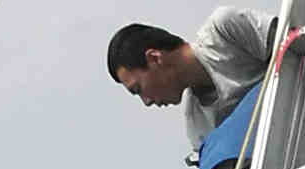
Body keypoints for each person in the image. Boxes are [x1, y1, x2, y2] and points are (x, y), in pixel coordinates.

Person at [106, 9, 275, 151]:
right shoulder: (198, 126)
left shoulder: (224, 31)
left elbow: (290, 46)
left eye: (138, 89)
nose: (147, 102)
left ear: (155, 58)